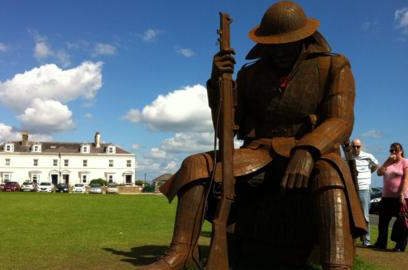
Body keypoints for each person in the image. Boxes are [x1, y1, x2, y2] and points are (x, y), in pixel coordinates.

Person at [140, 1, 366, 270]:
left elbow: (340, 120)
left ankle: (337, 264)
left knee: (329, 173)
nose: (280, 51)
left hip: (314, 150)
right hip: (259, 152)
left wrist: (308, 150)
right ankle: (181, 253)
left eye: (287, 44)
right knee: (196, 165)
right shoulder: (251, 73)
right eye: (274, 44)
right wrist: (218, 82)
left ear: (305, 38)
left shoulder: (333, 66)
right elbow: (228, 127)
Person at [374, 142, 408, 251]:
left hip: (400, 197)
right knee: (383, 222)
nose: (393, 152)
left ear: (401, 151)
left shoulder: (405, 162)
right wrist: (387, 162)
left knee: (401, 221)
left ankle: (400, 245)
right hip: (386, 197)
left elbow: (406, 179)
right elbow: (379, 173)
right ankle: (381, 243)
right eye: (391, 150)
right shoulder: (388, 164)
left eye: (396, 150)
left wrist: (402, 194)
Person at [352, 138, 378, 246]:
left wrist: (368, 173)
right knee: (353, 214)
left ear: (361, 146)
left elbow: (376, 165)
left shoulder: (368, 156)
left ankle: (366, 240)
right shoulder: (349, 158)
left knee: (365, 215)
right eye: (354, 146)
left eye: (358, 146)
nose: (356, 148)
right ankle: (355, 238)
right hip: (353, 189)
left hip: (364, 189)